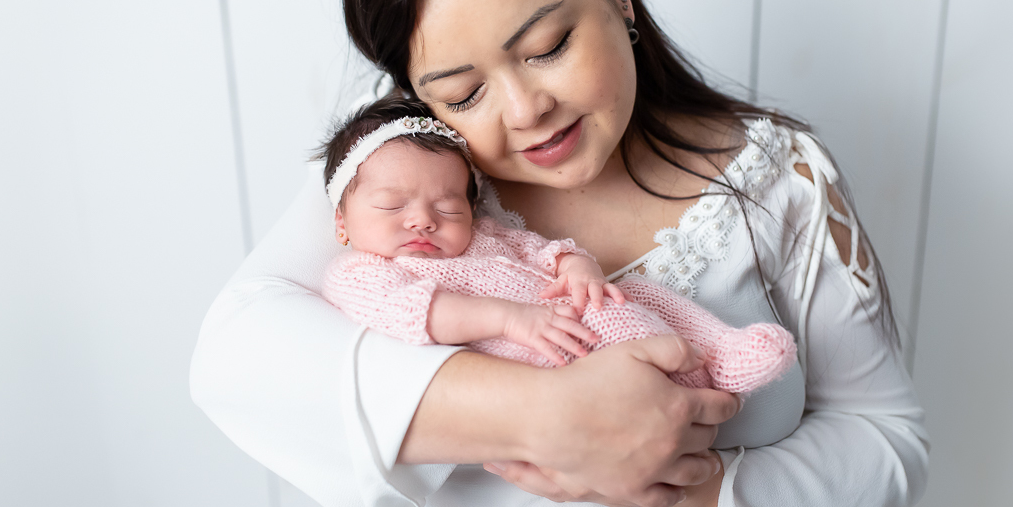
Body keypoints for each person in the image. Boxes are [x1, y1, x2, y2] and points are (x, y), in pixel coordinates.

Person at [191, 0, 929, 507]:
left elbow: (885, 440)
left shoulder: (780, 178)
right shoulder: (399, 180)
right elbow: (237, 355)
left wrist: (695, 481)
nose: (524, 110)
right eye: (462, 94)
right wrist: (550, 418)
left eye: (548, 48)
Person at [318, 95, 796, 395]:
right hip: (551, 358)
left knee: (640, 293)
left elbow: (539, 249)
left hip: (581, 310)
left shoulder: (483, 237)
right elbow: (419, 314)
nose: (423, 220)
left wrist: (577, 267)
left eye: (447, 207)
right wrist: (509, 319)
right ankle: (680, 386)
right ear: (342, 222)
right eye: (392, 206)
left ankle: (721, 352)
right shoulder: (362, 273)